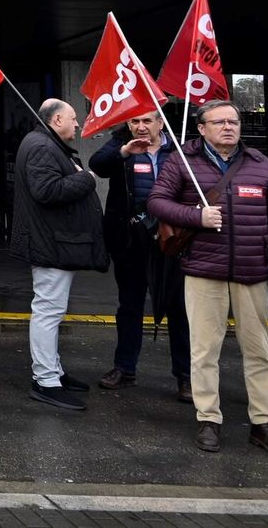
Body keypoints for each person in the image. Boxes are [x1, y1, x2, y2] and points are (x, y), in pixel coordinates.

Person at [147, 99, 268, 457]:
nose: (229, 127)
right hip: (203, 272)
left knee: (259, 352)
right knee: (204, 351)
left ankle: (263, 425)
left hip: (252, 274)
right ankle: (208, 420)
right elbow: (156, 202)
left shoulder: (260, 165)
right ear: (201, 129)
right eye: (219, 122)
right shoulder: (183, 161)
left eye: (233, 121)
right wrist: (196, 216)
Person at [10, 99, 107, 411]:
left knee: (51, 310)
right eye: (73, 118)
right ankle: (46, 380)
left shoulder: (44, 143)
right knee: (48, 311)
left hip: (55, 242)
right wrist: (88, 178)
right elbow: (47, 191)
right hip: (51, 244)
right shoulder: (41, 146)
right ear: (56, 120)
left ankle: (54, 372)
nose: (77, 124)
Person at [90, 110, 189, 399]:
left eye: (147, 121)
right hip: (131, 239)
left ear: (160, 122)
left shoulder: (180, 150)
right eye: (135, 121)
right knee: (129, 305)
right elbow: (97, 165)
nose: (141, 127)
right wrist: (123, 151)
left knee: (179, 310)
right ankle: (125, 369)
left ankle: (185, 376)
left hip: (172, 240)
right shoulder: (119, 144)